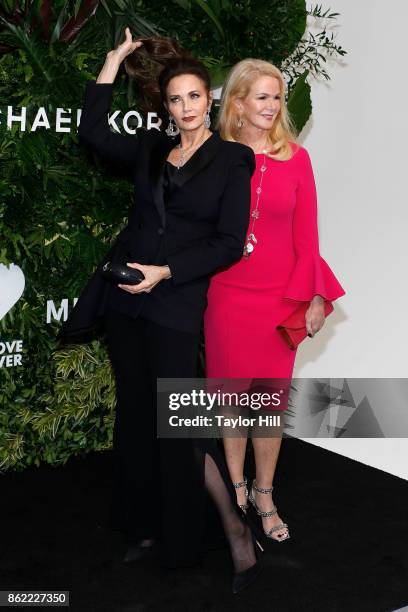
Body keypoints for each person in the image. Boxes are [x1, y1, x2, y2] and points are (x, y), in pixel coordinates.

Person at [60, 30, 262, 592]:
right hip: (127, 300)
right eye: (175, 100)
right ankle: (145, 528)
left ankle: (233, 531)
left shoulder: (232, 159)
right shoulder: (151, 150)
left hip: (175, 299)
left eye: (194, 97)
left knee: (182, 426)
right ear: (166, 106)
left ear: (210, 100)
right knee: (136, 417)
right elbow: (92, 132)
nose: (185, 108)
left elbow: (226, 242)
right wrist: (111, 62)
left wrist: (167, 271)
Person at [204, 59, 345, 543]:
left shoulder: (298, 159)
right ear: (238, 103)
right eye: (261, 96)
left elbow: (308, 239)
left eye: (277, 97)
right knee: (229, 400)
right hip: (225, 294)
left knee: (268, 404)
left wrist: (315, 297)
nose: (272, 106)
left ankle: (264, 493)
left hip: (279, 299)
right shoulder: (217, 156)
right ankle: (236, 488)